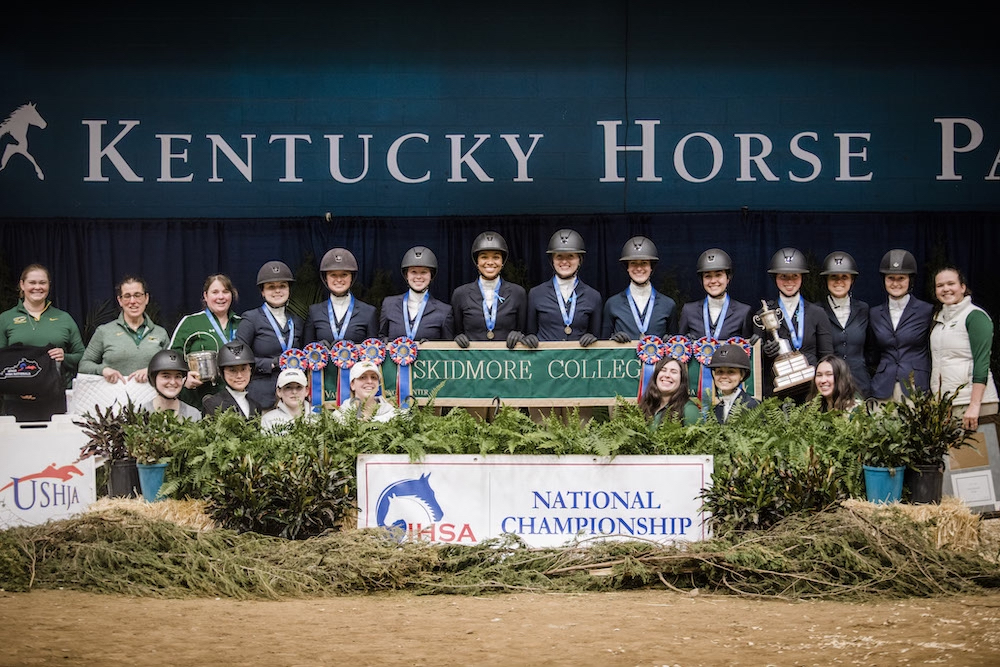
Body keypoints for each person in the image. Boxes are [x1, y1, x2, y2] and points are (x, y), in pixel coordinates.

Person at [0, 264, 85, 421]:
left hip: (55, 400)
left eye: (42, 283)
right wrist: (18, 387)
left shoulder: (64, 318)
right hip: (16, 402)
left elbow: (83, 357)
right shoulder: (5, 319)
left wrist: (64, 357)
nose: (37, 287)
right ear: (22, 284)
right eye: (32, 282)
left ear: (49, 285)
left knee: (56, 445)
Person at [748, 247, 833, 400]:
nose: (789, 281)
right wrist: (763, 352)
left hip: (811, 391)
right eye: (784, 276)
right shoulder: (763, 314)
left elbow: (827, 357)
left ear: (802, 277)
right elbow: (755, 362)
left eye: (795, 276)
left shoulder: (817, 313)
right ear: (775, 278)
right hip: (776, 393)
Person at [929, 266, 998, 431]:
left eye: (951, 283)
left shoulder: (975, 317)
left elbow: (982, 363)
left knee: (986, 456)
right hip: (949, 404)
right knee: (954, 457)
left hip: (974, 404)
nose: (946, 289)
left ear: (962, 287)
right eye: (940, 285)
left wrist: (974, 406)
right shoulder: (938, 320)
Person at [866, 249, 933, 402]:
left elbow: (932, 349)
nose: (895, 283)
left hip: (916, 386)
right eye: (890, 278)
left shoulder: (926, 311)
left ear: (910, 280)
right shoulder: (874, 313)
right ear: (884, 280)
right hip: (883, 387)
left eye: (901, 278)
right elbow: (872, 352)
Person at [236, 261, 304, 409]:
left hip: (294, 395)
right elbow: (239, 357)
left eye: (282, 286)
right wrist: (271, 363)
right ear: (262, 292)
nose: (277, 291)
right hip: (262, 395)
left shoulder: (297, 321)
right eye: (271, 287)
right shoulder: (251, 318)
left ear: (289, 289)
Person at [168, 274, 242, 408]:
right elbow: (171, 358)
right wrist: (184, 378)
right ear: (206, 296)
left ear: (232, 295)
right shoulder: (190, 322)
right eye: (215, 292)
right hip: (198, 400)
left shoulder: (242, 323)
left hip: (237, 399)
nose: (221, 297)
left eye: (225, 292)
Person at [79, 275, 168, 384]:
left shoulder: (160, 333)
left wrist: (152, 370)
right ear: (120, 300)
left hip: (153, 397)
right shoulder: (104, 331)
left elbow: (171, 366)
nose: (132, 301)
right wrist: (103, 370)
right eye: (127, 296)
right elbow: (84, 365)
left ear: (146, 298)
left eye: (137, 295)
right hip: (114, 397)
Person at [525, 229, 602, 347]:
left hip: (579, 362)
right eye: (559, 256)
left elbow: (599, 338)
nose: (564, 261)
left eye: (570, 256)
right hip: (545, 361)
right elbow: (530, 332)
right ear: (552, 261)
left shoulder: (593, 296)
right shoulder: (536, 294)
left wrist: (593, 338)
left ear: (579, 260)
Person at [451, 231, 528, 349]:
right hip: (472, 362)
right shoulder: (460, 294)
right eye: (484, 257)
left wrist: (520, 334)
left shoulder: (518, 293)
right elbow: (455, 330)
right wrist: (457, 337)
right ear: (477, 262)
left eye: (496, 257)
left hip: (508, 361)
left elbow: (524, 329)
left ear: (502, 262)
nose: (490, 262)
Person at [603, 236, 675, 343]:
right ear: (627, 267)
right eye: (633, 263)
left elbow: (677, 349)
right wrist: (611, 340)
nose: (639, 268)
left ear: (651, 267)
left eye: (644, 263)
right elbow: (601, 347)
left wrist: (670, 342)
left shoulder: (668, 304)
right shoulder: (612, 304)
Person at [819, 251, 871, 398]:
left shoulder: (864, 309)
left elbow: (872, 350)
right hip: (829, 386)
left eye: (844, 277)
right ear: (826, 280)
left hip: (860, 384)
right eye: (833, 276)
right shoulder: (817, 311)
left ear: (852, 280)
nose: (839, 281)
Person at [305, 248, 379, 345]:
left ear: (351, 277)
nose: (339, 279)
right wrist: (316, 348)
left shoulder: (369, 312)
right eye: (333, 275)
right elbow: (306, 351)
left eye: (344, 275)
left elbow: (373, 353)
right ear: (325, 278)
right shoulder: (314, 312)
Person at [379, 246, 453, 341]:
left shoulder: (444, 311)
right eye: (413, 272)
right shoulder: (389, 304)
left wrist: (432, 347)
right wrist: (384, 341)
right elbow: (380, 336)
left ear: (431, 276)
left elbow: (448, 349)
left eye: (424, 272)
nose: (418, 277)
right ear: (406, 275)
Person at [677, 248, 751, 341]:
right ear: (702, 280)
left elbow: (748, 350)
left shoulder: (743, 312)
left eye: (718, 275)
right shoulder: (688, 311)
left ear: (728, 278)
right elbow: (679, 349)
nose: (713, 281)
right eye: (708, 276)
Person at [203, 341, 264, 418]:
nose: (239, 376)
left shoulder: (256, 406)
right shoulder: (212, 404)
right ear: (222, 372)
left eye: (243, 369)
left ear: (251, 370)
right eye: (232, 370)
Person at [639, 356, 700, 427]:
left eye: (673, 372)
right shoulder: (646, 406)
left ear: (681, 380)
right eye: (663, 370)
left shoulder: (689, 410)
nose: (667, 375)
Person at [141, 349, 202, 421]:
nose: (173, 382)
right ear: (153, 379)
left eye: (177, 377)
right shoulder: (140, 413)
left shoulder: (193, 414)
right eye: (166, 376)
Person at [705, 343, 759, 423]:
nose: (724, 376)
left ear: (742, 375)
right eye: (719, 372)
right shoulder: (715, 411)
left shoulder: (754, 407)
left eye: (731, 372)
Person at [333, 360, 398, 423]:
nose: (369, 381)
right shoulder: (338, 417)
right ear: (352, 385)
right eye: (363, 377)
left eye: (373, 377)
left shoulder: (393, 415)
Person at [261, 368, 310, 432]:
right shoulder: (268, 420)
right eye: (288, 387)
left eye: (299, 387)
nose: (294, 392)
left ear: (306, 391)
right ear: (279, 392)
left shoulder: (318, 416)